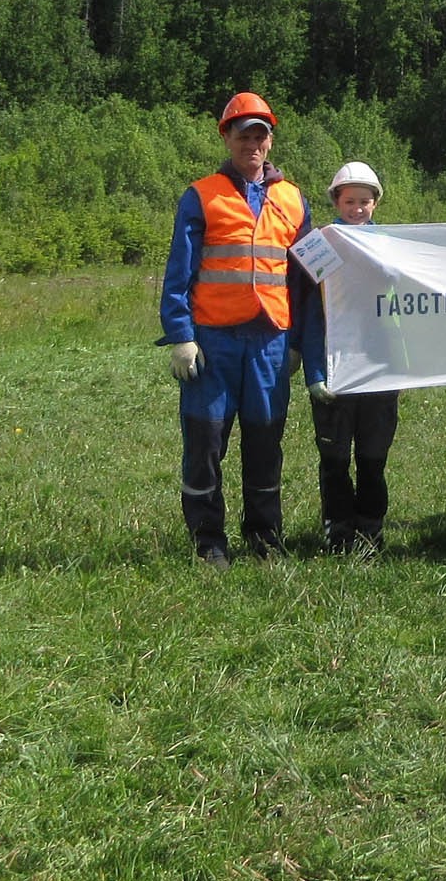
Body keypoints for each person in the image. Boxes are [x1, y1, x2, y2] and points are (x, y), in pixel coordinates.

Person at [158, 91, 314, 567]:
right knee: (205, 443)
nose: (252, 142)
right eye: (243, 133)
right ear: (226, 136)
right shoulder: (201, 195)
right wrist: (181, 335)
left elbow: (307, 278)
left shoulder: (292, 199)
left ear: (270, 142)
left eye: (260, 134)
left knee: (266, 443)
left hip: (269, 342)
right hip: (213, 344)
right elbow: (179, 272)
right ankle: (208, 540)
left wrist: (297, 344)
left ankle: (264, 538)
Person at [298, 161, 402, 555]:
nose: (357, 209)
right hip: (335, 369)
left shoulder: (392, 246)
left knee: (373, 457)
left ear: (375, 203)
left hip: (379, 371)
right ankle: (338, 529)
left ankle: (371, 530)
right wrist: (314, 371)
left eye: (364, 201)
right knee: (336, 457)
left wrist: (403, 367)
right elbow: (310, 313)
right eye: (349, 201)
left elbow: (407, 309)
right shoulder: (320, 245)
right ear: (336, 202)